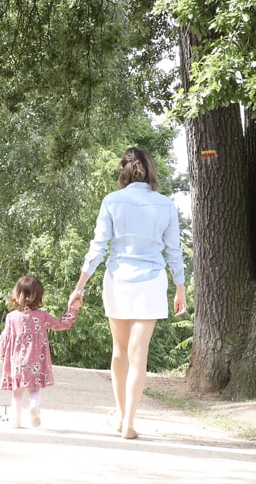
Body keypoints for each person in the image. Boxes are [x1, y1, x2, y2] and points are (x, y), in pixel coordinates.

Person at [74, 146, 186, 439]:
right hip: (151, 283)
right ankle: (129, 423)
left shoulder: (112, 201)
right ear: (150, 171)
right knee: (139, 354)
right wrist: (180, 288)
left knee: (119, 352)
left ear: (123, 171)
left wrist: (80, 286)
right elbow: (174, 251)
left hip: (118, 281)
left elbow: (97, 247)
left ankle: (121, 415)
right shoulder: (166, 205)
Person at [0, 274, 83, 428]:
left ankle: (16, 421)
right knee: (34, 389)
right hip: (36, 361)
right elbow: (62, 324)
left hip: (17, 361)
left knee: (17, 392)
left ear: (17, 294)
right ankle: (34, 406)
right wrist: (73, 310)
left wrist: (2, 354)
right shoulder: (42, 316)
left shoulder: (11, 317)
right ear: (39, 296)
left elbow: (5, 337)